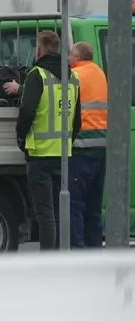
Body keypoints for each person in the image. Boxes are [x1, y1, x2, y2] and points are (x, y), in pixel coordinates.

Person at [15, 30, 81, 250]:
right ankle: (61, 257)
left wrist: (21, 137)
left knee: (45, 215)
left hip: (40, 156)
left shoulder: (37, 75)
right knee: (61, 211)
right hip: (63, 156)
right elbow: (77, 122)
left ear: (39, 50)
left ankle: (49, 262)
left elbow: (26, 112)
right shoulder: (72, 77)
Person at [68, 41, 107, 248]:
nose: (68, 59)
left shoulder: (76, 76)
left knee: (74, 207)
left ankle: (78, 256)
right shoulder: (100, 74)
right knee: (93, 210)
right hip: (101, 150)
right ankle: (94, 257)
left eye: (70, 55)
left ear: (78, 58)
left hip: (81, 149)